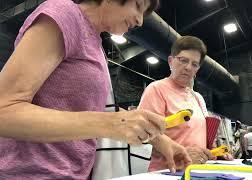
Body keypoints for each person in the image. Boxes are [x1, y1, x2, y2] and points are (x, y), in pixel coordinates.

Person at [0, 0, 191, 179]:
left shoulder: (97, 47)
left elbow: (95, 112)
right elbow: (4, 111)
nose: (140, 21)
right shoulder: (66, 15)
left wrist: (159, 139)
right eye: (138, 6)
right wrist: (111, 123)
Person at [138, 36, 232, 172]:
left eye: (194, 64)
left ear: (197, 69)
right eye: (183, 60)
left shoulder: (198, 98)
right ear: (171, 61)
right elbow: (147, 132)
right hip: (168, 172)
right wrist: (182, 154)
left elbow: (199, 139)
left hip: (196, 171)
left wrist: (215, 153)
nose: (188, 67)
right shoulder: (156, 89)